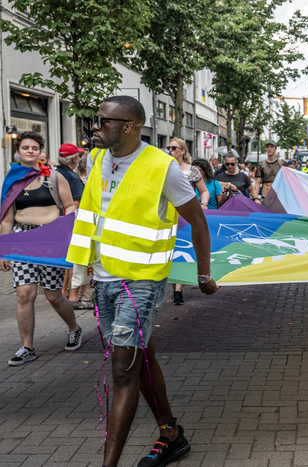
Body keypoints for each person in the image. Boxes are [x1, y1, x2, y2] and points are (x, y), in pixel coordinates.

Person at [66, 96, 218, 467]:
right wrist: (81, 272)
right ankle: (171, 435)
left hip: (143, 282)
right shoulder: (96, 158)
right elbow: (91, 216)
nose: (95, 128)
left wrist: (203, 275)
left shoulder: (164, 168)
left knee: (122, 367)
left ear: (129, 126)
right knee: (140, 358)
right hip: (104, 280)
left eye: (102, 122)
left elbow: (198, 222)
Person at [0, 131, 80, 366]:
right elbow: (6, 219)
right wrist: (4, 250)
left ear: (40, 152)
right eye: (25, 148)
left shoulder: (54, 177)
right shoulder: (12, 180)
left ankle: (74, 328)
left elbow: (69, 207)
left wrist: (65, 233)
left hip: (50, 241)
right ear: (18, 151)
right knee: (25, 293)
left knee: (53, 295)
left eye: (34, 148)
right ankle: (27, 347)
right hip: (22, 239)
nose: (30, 151)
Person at [167, 137, 209, 306]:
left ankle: (178, 289)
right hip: (166, 216)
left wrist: (203, 205)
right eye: (168, 147)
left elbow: (204, 190)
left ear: (182, 151)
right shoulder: (164, 168)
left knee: (181, 248)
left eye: (174, 147)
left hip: (185, 215)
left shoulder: (192, 170)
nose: (170, 150)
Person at [56, 143, 89, 308]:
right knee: (73, 261)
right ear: (74, 159)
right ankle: (73, 297)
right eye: (78, 156)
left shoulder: (54, 173)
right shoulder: (73, 178)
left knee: (63, 261)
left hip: (55, 223)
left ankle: (63, 294)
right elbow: (76, 204)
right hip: (70, 224)